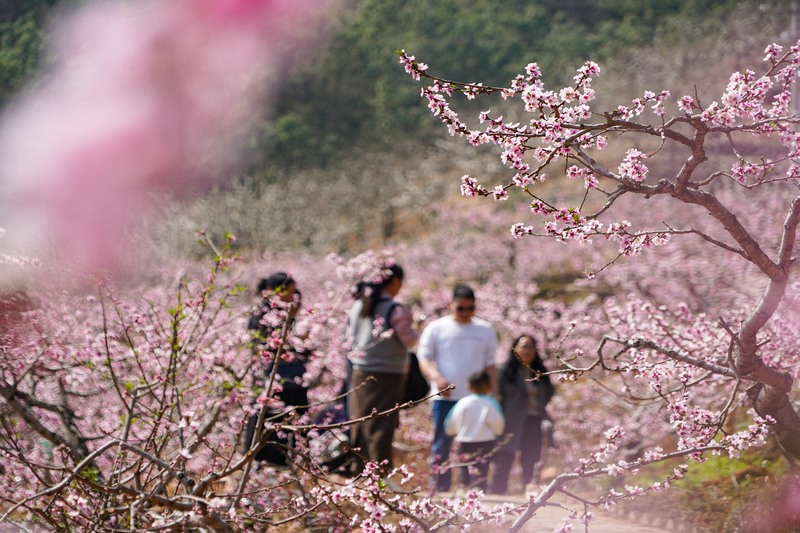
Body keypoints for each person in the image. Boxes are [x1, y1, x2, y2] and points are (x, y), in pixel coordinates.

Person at [417, 283, 498, 492]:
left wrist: (494, 393)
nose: (465, 313)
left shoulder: (485, 330)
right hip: (445, 397)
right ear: (450, 305)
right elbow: (424, 359)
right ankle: (439, 488)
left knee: (476, 445)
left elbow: (490, 364)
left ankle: (474, 488)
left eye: (470, 309)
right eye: (460, 308)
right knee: (441, 445)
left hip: (476, 398)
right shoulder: (436, 328)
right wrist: (438, 378)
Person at [346, 263, 419, 476]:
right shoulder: (396, 309)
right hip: (388, 374)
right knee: (383, 424)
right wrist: (418, 328)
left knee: (362, 422)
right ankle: (379, 474)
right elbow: (410, 342)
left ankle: (360, 470)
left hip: (360, 371)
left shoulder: (359, 305)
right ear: (394, 281)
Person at [243, 272, 309, 465]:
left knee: (289, 430)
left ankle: (285, 465)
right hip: (273, 382)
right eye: (289, 292)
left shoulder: (289, 314)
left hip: (291, 382)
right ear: (273, 292)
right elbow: (265, 348)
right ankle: (268, 465)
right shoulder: (262, 315)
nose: (293, 296)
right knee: (269, 430)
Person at [490, 334, 555, 495]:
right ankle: (497, 492)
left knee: (531, 457)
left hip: (534, 419)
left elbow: (548, 393)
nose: (527, 350)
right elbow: (498, 395)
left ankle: (529, 492)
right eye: (523, 346)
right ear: (515, 349)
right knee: (505, 455)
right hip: (510, 420)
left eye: (530, 347)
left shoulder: (540, 372)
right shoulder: (505, 372)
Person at [444, 370, 505, 493]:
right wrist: (497, 432)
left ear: (469, 386)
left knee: (464, 468)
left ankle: (462, 488)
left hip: (464, 441)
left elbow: (451, 422)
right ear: (489, 386)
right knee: (482, 469)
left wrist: (452, 432)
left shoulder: (462, 402)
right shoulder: (491, 403)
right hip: (485, 441)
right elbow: (498, 423)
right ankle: (479, 491)